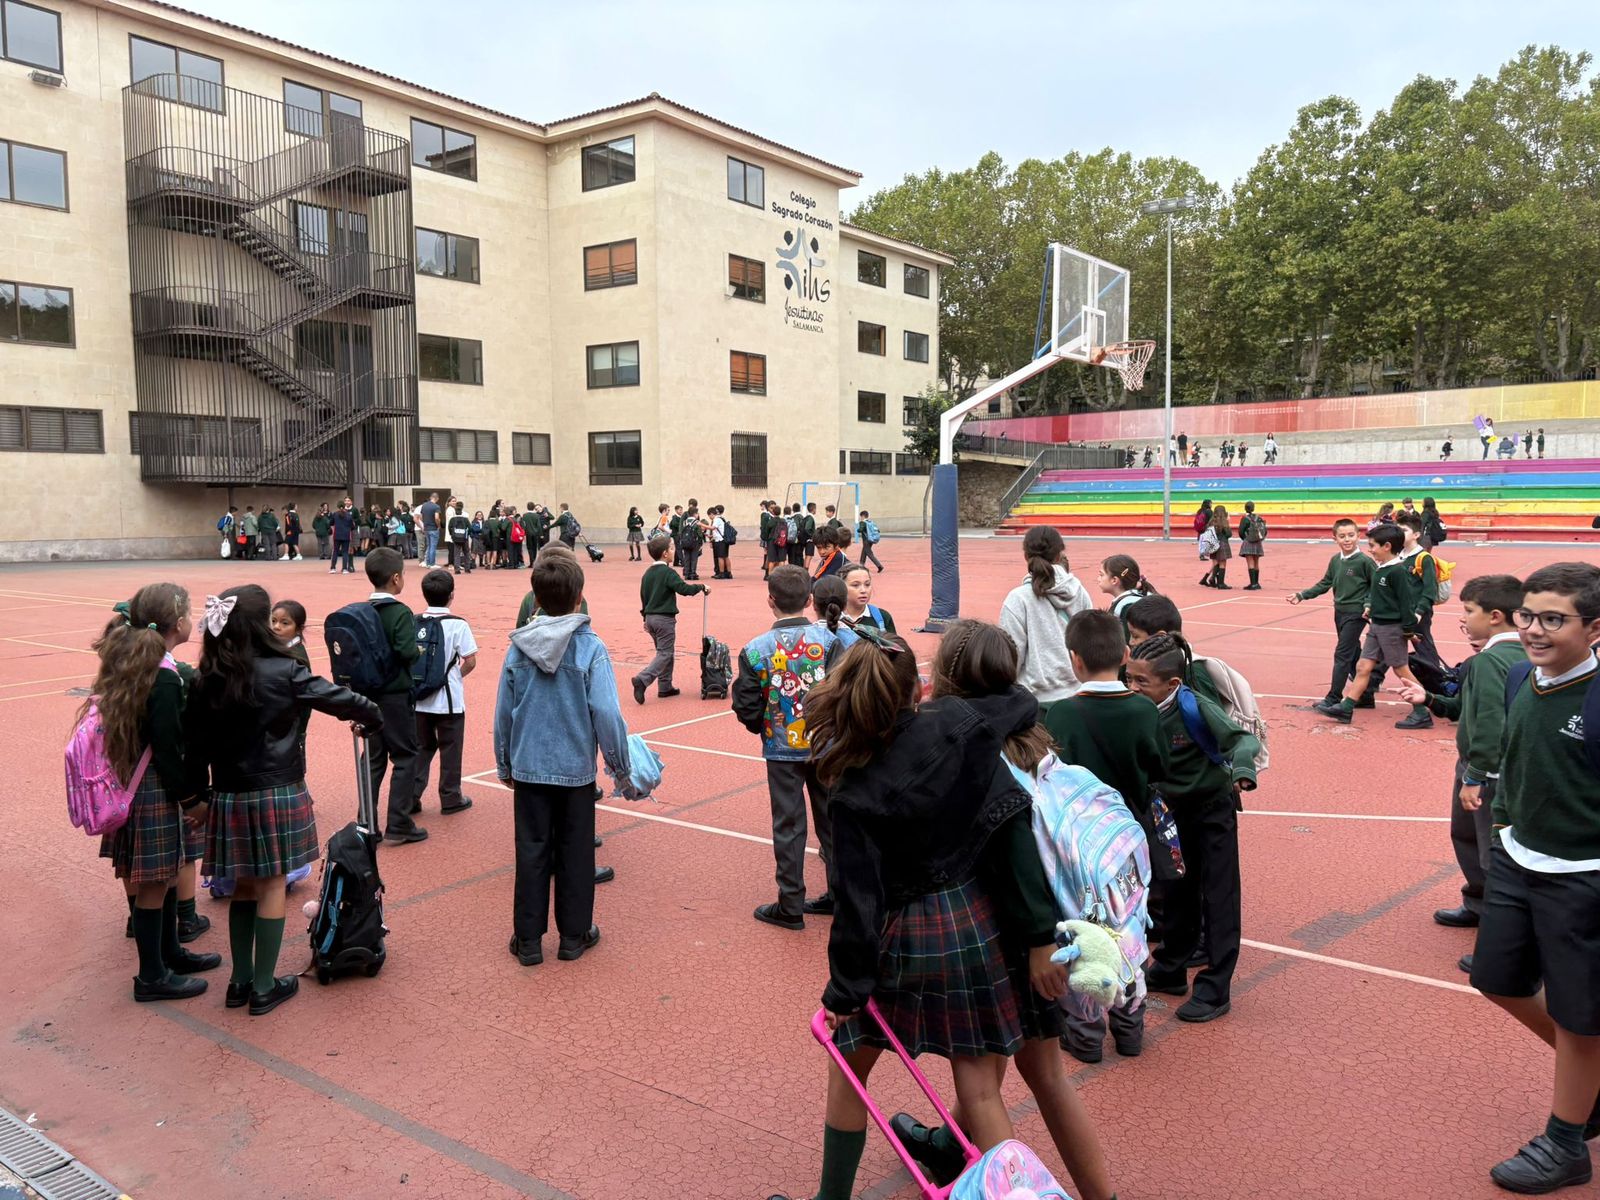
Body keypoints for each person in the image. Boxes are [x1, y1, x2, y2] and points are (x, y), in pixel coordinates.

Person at [767, 630, 1068, 1200]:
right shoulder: (958, 723)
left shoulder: (851, 786)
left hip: (902, 935)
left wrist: (843, 995)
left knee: (849, 1065)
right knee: (980, 1090)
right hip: (973, 924)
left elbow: (858, 907)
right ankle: (1019, 1193)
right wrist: (1035, 934)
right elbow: (1015, 723)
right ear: (918, 689)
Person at [890, 623, 1117, 1200]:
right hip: (1052, 925)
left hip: (996, 932)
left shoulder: (965, 745)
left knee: (983, 1085)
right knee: (1046, 1076)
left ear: (946, 675)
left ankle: (1004, 1187)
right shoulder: (1031, 727)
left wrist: (1037, 935)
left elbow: (1009, 847)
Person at [1468, 562, 1600, 1193]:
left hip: (1584, 877)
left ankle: (1567, 1143)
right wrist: (1503, 831)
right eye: (1528, 616)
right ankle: (1592, 1081)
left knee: (1581, 1019)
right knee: (1498, 979)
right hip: (1521, 861)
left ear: (1594, 628)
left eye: (1554, 619)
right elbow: (1516, 764)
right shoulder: (1524, 676)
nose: (1535, 630)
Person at [188, 584, 380, 1016]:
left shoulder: (206, 676)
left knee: (241, 886)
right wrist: (373, 715)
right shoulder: (284, 669)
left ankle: (239, 981)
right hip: (277, 788)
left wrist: (194, 796)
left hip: (229, 791)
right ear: (261, 624)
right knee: (273, 884)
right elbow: (339, 698)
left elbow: (194, 746)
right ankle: (262, 985)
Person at [496, 552, 634, 967]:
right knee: (576, 852)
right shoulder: (591, 648)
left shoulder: (517, 648)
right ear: (580, 599)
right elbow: (607, 713)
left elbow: (504, 711)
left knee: (532, 850)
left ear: (535, 600)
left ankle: (529, 940)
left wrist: (504, 763)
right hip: (575, 769)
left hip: (529, 766)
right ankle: (573, 936)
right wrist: (620, 766)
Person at [1046, 610, 1169, 1062]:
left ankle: (1084, 1034)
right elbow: (1158, 770)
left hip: (1077, 843)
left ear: (1073, 659)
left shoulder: (1061, 713)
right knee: (1129, 928)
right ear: (1124, 655)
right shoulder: (1142, 708)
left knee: (1083, 933)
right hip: (1129, 839)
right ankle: (1130, 1026)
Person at [90, 584, 219, 1002]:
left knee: (160, 879)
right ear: (178, 621)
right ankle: (152, 976)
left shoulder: (136, 661)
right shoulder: (162, 677)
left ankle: (169, 955)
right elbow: (166, 748)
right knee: (152, 883)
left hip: (136, 781)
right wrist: (190, 799)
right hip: (154, 788)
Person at [1393, 575, 1525, 962]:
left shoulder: (1489, 661)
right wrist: (1430, 699)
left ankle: (1502, 943)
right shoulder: (1518, 656)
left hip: (1486, 772)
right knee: (1469, 838)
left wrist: (1475, 776)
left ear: (1497, 616)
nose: (1465, 619)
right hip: (1491, 768)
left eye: (1470, 611)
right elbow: (1469, 710)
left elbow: (1489, 724)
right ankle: (1479, 905)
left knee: (1490, 852)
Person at [1127, 631, 1258, 1022]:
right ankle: (1170, 967)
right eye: (1128, 678)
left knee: (1218, 895)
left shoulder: (1193, 706)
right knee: (1175, 888)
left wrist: (1244, 771)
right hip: (1170, 812)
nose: (1132, 687)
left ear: (1172, 684)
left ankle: (1216, 987)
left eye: (1141, 682)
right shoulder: (1137, 708)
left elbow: (1241, 741)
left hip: (1211, 809)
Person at [732, 565, 847, 929]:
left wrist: (765, 727)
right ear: (809, 600)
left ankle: (791, 903)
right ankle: (839, 896)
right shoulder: (831, 643)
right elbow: (844, 692)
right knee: (833, 822)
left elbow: (746, 703)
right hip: (826, 745)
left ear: (771, 600)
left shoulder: (754, 650)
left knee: (788, 824)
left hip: (782, 749)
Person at [358, 547, 428, 844]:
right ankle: (398, 822)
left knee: (373, 759)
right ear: (396, 578)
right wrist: (417, 651)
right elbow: (405, 650)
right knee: (404, 755)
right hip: (395, 695)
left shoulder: (362, 610)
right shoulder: (399, 612)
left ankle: (367, 822)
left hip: (367, 696)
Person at [1316, 523, 1419, 724]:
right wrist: (1370, 606)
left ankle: (1422, 707)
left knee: (1401, 669)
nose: (1370, 549)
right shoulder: (1381, 568)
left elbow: (1407, 604)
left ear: (1387, 546)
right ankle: (1347, 707)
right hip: (1376, 626)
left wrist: (1408, 629)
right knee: (1363, 666)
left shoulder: (1398, 571)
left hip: (1391, 628)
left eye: (1372, 546)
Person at [998, 525, 1093, 713]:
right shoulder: (1080, 592)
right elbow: (1091, 642)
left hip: (1034, 701)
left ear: (1026, 556)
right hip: (1077, 697)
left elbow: (1011, 657)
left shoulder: (1018, 599)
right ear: (1059, 556)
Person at [1288, 519, 1377, 709]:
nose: (1347, 540)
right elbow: (1325, 583)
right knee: (1353, 653)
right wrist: (1302, 595)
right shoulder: (1336, 560)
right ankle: (1367, 695)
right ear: (1334, 538)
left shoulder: (1365, 561)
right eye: (1342, 536)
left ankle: (1334, 697)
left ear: (1358, 536)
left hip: (1357, 613)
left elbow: (1375, 585)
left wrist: (1368, 603)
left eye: (1351, 535)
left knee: (1342, 654)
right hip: (1340, 611)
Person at [412, 569, 478, 818]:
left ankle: (411, 796)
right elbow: (470, 660)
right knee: (451, 748)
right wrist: (454, 678)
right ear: (452, 595)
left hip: (419, 700)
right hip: (449, 701)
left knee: (420, 748)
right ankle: (450, 797)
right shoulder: (458, 624)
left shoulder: (415, 621)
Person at [632, 534, 707, 704]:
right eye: (672, 548)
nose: (675, 551)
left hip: (650, 618)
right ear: (665, 553)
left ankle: (665, 686)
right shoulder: (667, 572)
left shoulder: (647, 574)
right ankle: (643, 679)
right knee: (665, 653)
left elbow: (643, 597)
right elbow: (683, 589)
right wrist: (701, 587)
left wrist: (645, 617)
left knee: (666, 652)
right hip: (664, 619)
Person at [1395, 510, 1442, 729]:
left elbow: (1429, 590)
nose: (1398, 533)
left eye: (1403, 530)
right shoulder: (1398, 557)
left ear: (1415, 534)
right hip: (1397, 614)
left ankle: (1437, 690)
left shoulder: (1424, 558)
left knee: (1424, 651)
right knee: (1385, 651)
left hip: (1417, 616)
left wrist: (1419, 612)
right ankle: (1367, 688)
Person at [1098, 553, 1152, 640]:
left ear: (1114, 580)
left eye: (1101, 575)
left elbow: (1125, 641)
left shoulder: (1127, 606)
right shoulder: (1143, 596)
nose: (1098, 579)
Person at [841, 563, 894, 634]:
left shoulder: (883, 617)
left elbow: (895, 644)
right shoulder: (829, 618)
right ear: (841, 587)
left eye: (867, 584)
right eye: (855, 585)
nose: (863, 590)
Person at [1204, 504, 1234, 590]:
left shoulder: (1211, 522)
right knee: (1223, 563)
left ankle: (1215, 580)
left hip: (1213, 544)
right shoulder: (1224, 522)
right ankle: (1221, 583)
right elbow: (1229, 534)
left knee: (1216, 562)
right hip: (1223, 543)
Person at [1238, 501, 1266, 590]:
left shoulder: (1245, 518)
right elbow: (1265, 531)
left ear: (1245, 508)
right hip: (1258, 542)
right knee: (1256, 562)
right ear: (1253, 508)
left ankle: (1252, 584)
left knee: (1250, 562)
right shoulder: (1259, 518)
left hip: (1248, 541)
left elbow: (1241, 532)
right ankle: (1257, 583)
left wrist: (1246, 538)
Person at [678, 504, 707, 581]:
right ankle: (693, 574)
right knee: (694, 558)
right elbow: (699, 534)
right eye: (697, 513)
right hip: (694, 543)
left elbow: (681, 531)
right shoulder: (696, 522)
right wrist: (701, 541)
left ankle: (687, 574)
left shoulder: (684, 522)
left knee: (687, 558)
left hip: (685, 542)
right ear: (695, 514)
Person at [329, 499, 355, 574]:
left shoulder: (335, 514)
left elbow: (330, 523)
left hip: (336, 535)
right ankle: (344, 569)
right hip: (346, 535)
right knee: (345, 552)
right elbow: (352, 526)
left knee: (335, 551)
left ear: (337, 506)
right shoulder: (348, 515)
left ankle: (333, 568)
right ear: (344, 506)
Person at [710, 505, 732, 579]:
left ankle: (721, 573)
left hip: (719, 540)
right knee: (726, 556)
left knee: (720, 557)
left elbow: (713, 528)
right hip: (724, 539)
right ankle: (729, 573)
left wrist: (702, 525)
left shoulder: (717, 519)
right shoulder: (723, 519)